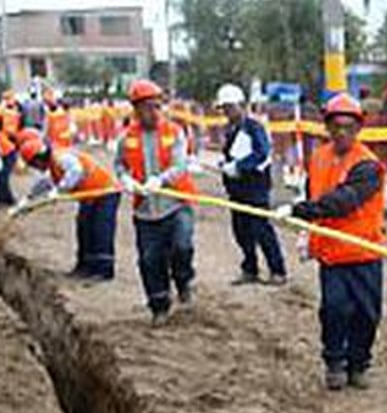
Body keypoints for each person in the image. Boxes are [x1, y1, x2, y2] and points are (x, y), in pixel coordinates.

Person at [278, 93, 385, 390]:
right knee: (334, 309)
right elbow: (314, 195)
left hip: (364, 252)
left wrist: (300, 211)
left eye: (349, 127)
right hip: (332, 254)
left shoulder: (368, 166)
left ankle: (359, 363)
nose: (342, 132)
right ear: (327, 127)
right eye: (336, 126)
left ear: (358, 128)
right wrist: (306, 231)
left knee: (367, 314)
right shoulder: (319, 157)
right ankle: (335, 362)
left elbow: (343, 201)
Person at [113, 78, 198, 325]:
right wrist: (125, 179)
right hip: (145, 211)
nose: (153, 111)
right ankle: (159, 305)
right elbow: (119, 164)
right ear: (136, 108)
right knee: (150, 260)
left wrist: (161, 180)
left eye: (156, 106)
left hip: (176, 203)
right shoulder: (125, 138)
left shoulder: (174, 132)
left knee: (182, 247)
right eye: (147, 106)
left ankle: (183, 281)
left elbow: (180, 164)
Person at [15, 128, 117, 281]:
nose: (36, 168)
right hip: (89, 196)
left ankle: (103, 270)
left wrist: (59, 190)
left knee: (100, 229)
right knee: (84, 227)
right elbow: (44, 184)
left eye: (33, 164)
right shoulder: (52, 166)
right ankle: (84, 266)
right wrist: (27, 199)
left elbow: (76, 171)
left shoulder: (61, 157)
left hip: (105, 192)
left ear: (39, 158)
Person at [215, 83, 287, 286]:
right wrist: (226, 164)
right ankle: (250, 269)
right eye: (225, 108)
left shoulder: (254, 128)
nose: (227, 112)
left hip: (255, 189)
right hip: (237, 190)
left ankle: (277, 270)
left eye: (230, 107)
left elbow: (261, 153)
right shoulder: (231, 129)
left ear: (241, 105)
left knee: (261, 230)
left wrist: (239, 166)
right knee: (241, 231)